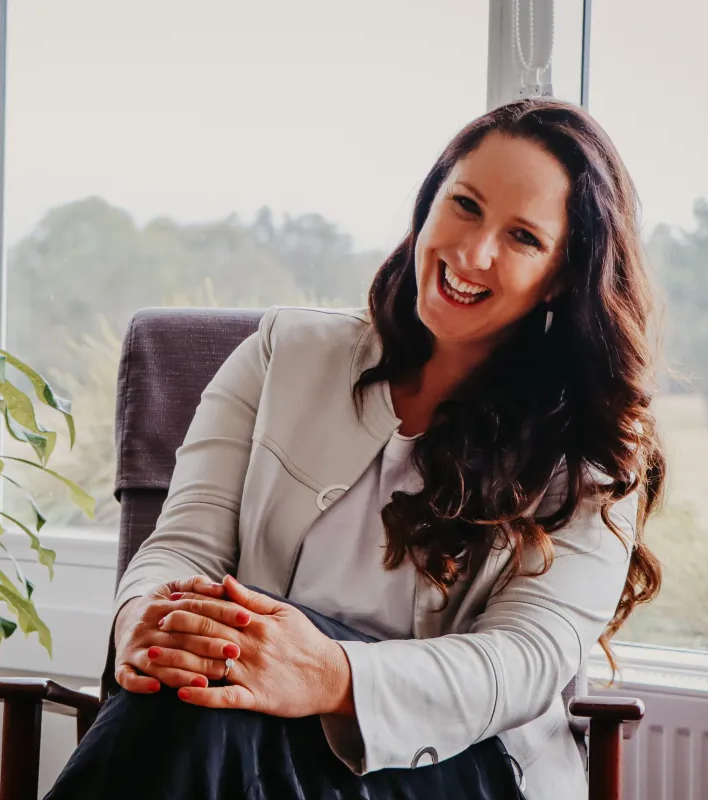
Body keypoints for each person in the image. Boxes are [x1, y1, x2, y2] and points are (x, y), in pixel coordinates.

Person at [47, 98, 666, 800]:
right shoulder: (282, 354)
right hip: (240, 727)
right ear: (428, 204)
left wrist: (328, 675)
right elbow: (185, 544)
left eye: (522, 237)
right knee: (200, 684)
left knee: (207, 695)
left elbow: (523, 660)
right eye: (464, 206)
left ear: (561, 276)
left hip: (464, 762)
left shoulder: (593, 453)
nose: (473, 253)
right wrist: (145, 619)